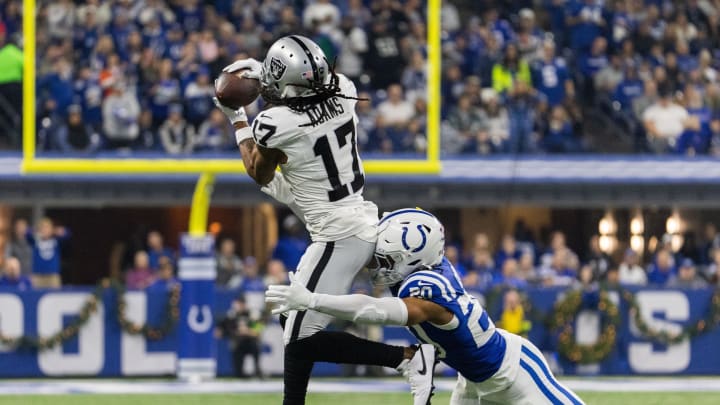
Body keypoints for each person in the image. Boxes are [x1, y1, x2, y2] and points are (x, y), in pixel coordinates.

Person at [214, 35, 434, 405]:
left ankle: (407, 359)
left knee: (298, 337)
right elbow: (302, 100)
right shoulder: (344, 90)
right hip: (346, 208)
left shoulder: (272, 124)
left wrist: (236, 117)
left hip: (338, 232)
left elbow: (259, 171)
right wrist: (266, 73)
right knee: (293, 324)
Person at [267, 208, 584, 405]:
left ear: (408, 259)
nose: (374, 264)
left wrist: (313, 300)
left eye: (383, 259)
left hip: (514, 375)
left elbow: (378, 311)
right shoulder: (417, 265)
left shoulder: (427, 289)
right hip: (473, 379)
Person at [217, 296, 265, 378]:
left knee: (255, 347)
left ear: (244, 304)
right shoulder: (231, 316)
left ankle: (257, 371)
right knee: (238, 372)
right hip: (238, 344)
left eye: (239, 304)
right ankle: (240, 374)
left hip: (250, 342)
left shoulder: (252, 315)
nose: (237, 306)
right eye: (236, 304)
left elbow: (259, 330)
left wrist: (247, 331)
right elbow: (220, 329)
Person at [27, 218, 70, 289]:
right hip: (38, 276)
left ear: (51, 229)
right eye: (43, 228)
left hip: (52, 276)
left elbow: (67, 234)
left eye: (47, 228)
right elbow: (27, 233)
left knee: (54, 297)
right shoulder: (35, 241)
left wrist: (56, 231)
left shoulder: (56, 241)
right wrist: (36, 230)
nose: (45, 230)